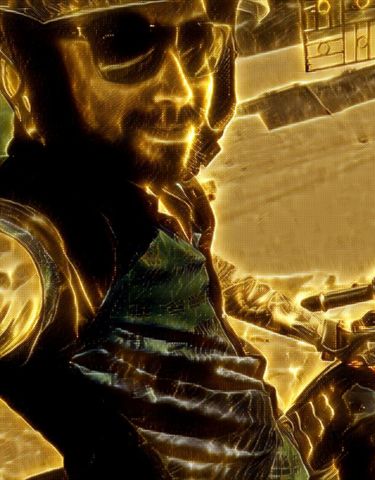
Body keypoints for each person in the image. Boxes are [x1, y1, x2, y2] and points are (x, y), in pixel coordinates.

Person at [0, 1, 311, 478]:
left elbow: (205, 275)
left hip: (268, 452)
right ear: (22, 77)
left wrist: (320, 330)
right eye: (121, 48)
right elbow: (20, 269)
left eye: (197, 47)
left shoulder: (170, 191)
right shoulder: (61, 220)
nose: (179, 91)